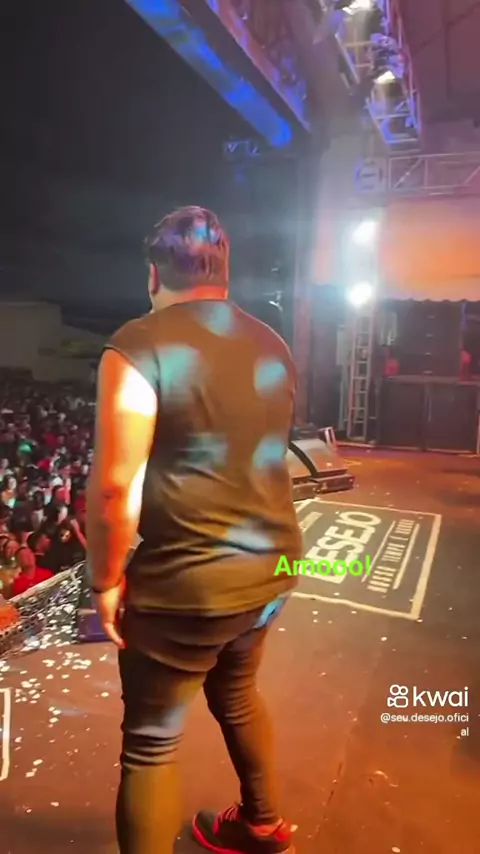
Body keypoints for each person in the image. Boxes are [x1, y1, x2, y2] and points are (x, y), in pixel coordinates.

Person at [86, 206, 301, 854]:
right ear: (223, 273)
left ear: (154, 275)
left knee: (150, 746)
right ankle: (262, 825)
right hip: (273, 571)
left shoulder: (137, 345)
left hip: (189, 587)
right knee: (237, 692)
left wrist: (105, 582)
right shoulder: (273, 342)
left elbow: (115, 488)